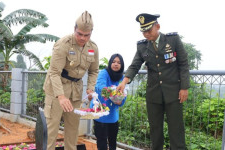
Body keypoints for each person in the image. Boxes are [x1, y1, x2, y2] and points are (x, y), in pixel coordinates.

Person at [117, 13, 190, 150]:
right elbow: (135, 65)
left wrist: (184, 87)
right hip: (153, 94)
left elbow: (184, 64)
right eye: (143, 31)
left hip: (174, 93)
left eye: (148, 30)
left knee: (176, 129)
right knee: (155, 130)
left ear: (158, 26)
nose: (146, 34)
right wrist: (124, 81)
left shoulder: (172, 40)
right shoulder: (142, 46)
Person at [43, 11, 99, 150]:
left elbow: (94, 71)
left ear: (91, 33)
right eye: (79, 34)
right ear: (74, 29)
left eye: (86, 35)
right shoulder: (63, 44)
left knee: (73, 130)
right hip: (57, 88)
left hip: (76, 90)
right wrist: (61, 97)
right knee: (52, 129)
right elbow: (54, 73)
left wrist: (90, 87)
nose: (82, 38)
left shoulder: (93, 48)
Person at [90, 53, 126, 150]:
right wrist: (114, 93)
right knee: (102, 141)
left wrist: (120, 101)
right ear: (110, 63)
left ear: (121, 65)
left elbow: (124, 94)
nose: (116, 64)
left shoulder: (122, 78)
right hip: (100, 111)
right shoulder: (104, 73)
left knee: (113, 141)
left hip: (113, 114)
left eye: (119, 62)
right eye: (114, 61)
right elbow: (100, 87)